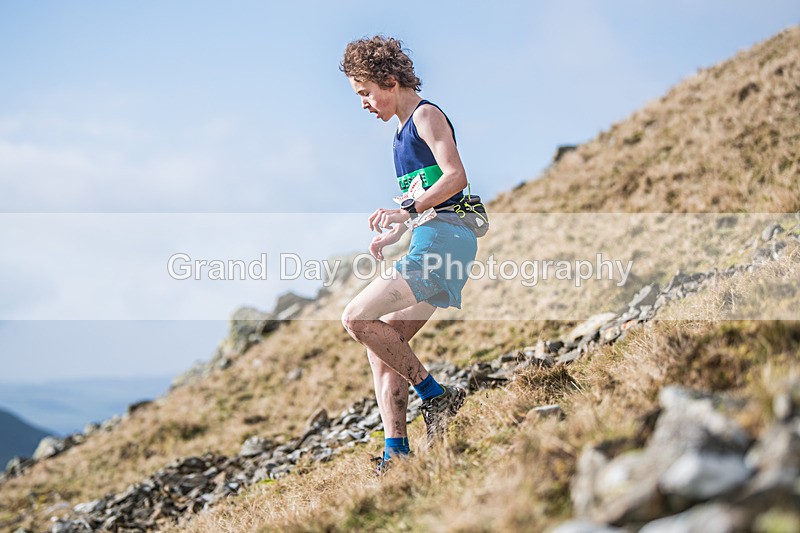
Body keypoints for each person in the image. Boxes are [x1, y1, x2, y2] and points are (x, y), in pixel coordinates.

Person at [339, 35, 478, 474]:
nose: (362, 102)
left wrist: (406, 212)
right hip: (433, 239)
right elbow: (425, 199)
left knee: (355, 319)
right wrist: (398, 231)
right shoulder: (401, 132)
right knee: (383, 347)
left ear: (390, 80)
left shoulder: (425, 116)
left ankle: (437, 396)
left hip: (445, 241)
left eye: (365, 92)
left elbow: (456, 177)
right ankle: (396, 454)